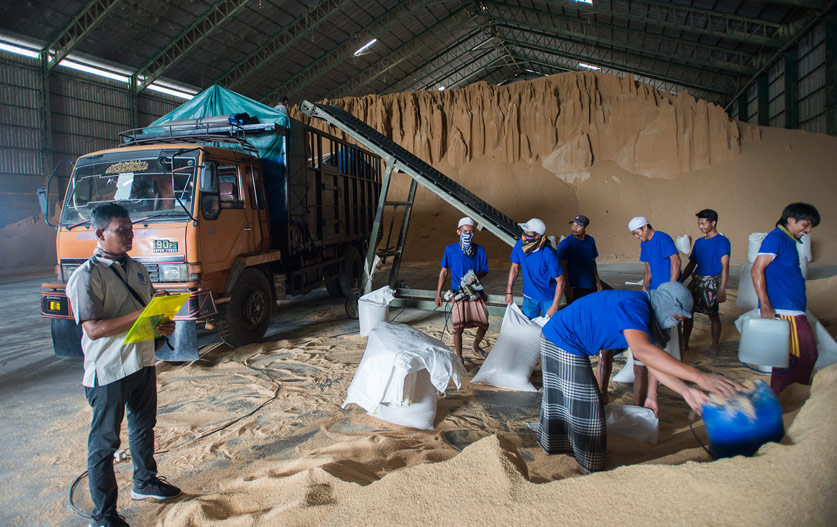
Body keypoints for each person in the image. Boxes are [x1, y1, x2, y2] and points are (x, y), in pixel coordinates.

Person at [537, 282, 740, 473]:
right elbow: (642, 351)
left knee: (569, 403)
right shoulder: (635, 304)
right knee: (586, 407)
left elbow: (652, 360)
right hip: (561, 338)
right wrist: (700, 377)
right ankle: (588, 466)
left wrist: (681, 391)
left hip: (561, 337)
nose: (676, 323)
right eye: (677, 318)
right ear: (667, 305)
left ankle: (562, 448)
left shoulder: (647, 316)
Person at [66, 204, 181, 527]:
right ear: (101, 233)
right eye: (122, 230)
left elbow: (149, 309)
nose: (129, 235)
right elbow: (93, 328)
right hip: (110, 370)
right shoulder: (86, 276)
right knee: (105, 443)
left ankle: (145, 482)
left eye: (131, 229)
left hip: (141, 362)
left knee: (144, 424)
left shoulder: (138, 269)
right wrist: (142, 316)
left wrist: (162, 324)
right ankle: (103, 515)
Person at [752, 202, 821, 396]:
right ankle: (785, 399)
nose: (807, 231)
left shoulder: (788, 240)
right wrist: (765, 304)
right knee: (804, 355)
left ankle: (783, 399)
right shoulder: (776, 238)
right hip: (784, 310)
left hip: (792, 308)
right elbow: (757, 269)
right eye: (805, 225)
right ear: (791, 220)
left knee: (789, 359)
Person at [627, 216, 682, 414]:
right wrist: (644, 287)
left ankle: (674, 361)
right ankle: (662, 360)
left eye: (637, 232)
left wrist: (672, 286)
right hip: (655, 291)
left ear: (645, 227)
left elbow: (676, 261)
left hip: (667, 290)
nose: (637, 236)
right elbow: (648, 267)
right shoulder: (645, 244)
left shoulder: (662, 238)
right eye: (634, 234)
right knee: (658, 324)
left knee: (672, 324)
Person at [435, 217, 490, 362]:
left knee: (484, 324)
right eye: (465, 231)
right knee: (458, 328)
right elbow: (444, 271)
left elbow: (484, 270)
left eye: (471, 231)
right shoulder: (451, 250)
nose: (468, 234)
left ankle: (476, 346)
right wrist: (438, 294)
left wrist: (475, 277)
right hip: (458, 293)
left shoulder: (480, 250)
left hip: (475, 292)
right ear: (458, 232)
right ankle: (459, 358)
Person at [681, 209, 731, 355]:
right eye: (699, 224)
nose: (700, 226)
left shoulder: (722, 242)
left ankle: (715, 345)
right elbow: (692, 264)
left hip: (712, 283)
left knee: (713, 314)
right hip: (696, 280)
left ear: (713, 223)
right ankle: (684, 342)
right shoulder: (698, 242)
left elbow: (725, 266)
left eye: (703, 223)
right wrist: (680, 280)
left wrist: (722, 288)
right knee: (688, 313)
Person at [504, 218, 564, 319]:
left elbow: (561, 281)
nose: (524, 234)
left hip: (548, 298)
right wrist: (508, 291)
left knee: (550, 328)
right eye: (524, 231)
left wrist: (555, 305)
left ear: (538, 236)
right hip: (529, 297)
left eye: (528, 232)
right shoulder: (519, 246)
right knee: (527, 326)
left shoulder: (548, 254)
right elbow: (514, 268)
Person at [557, 214, 603, 303]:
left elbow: (593, 262)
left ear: (586, 228)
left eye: (578, 226)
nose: (574, 228)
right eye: (573, 224)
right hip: (574, 287)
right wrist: (567, 287)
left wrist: (598, 281)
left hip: (590, 285)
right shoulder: (565, 244)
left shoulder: (590, 241)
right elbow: (562, 267)